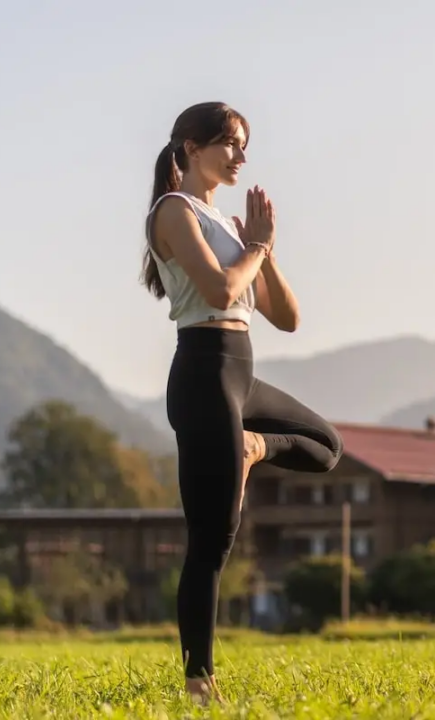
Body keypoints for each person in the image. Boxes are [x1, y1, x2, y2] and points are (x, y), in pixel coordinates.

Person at [141, 101, 344, 703]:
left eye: (244, 146)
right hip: (202, 376)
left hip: (242, 374)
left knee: (327, 447)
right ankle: (198, 681)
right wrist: (254, 248)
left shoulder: (228, 225)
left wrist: (265, 249)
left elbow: (287, 317)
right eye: (230, 143)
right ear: (192, 146)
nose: (240, 156)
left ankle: (255, 445)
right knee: (214, 538)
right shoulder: (173, 211)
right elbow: (221, 288)